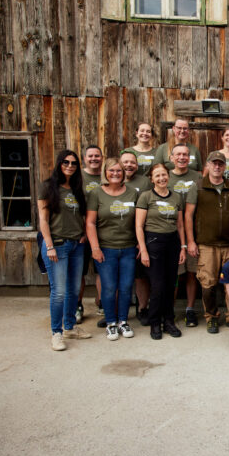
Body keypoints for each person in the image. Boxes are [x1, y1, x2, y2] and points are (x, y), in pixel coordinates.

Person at [38, 150, 91, 351]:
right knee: (58, 292)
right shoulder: (48, 187)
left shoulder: (77, 188)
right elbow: (43, 220)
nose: (70, 166)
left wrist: (83, 233)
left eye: (74, 163)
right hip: (57, 245)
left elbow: (82, 215)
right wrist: (49, 245)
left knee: (73, 289)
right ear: (59, 164)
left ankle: (69, 326)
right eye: (66, 162)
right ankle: (56, 333)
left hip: (77, 245)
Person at [185, 151, 229, 334]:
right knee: (208, 284)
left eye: (220, 164)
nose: (217, 167)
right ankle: (212, 317)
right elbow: (188, 215)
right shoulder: (197, 187)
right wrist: (191, 241)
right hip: (206, 244)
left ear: (224, 167)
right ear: (207, 165)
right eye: (213, 163)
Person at [86, 158, 139, 341]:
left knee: (125, 287)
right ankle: (110, 323)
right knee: (109, 288)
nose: (115, 174)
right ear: (105, 173)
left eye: (119, 170)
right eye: (111, 171)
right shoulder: (97, 194)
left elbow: (139, 221)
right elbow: (90, 223)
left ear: (124, 173)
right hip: (106, 249)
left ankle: (123, 321)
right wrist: (95, 247)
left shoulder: (133, 193)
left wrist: (140, 243)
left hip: (129, 248)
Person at [135, 164, 186, 340]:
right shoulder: (146, 197)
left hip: (172, 243)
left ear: (168, 176)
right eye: (157, 176)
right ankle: (155, 322)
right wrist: (143, 250)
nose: (161, 178)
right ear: (151, 179)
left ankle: (169, 321)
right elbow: (139, 226)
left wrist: (183, 247)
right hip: (153, 242)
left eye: (164, 175)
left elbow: (180, 225)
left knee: (171, 285)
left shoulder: (176, 197)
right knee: (157, 287)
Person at [167, 143, 202, 325]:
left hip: (193, 230)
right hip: (172, 231)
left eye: (185, 154)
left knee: (191, 272)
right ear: (171, 158)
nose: (182, 157)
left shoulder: (197, 177)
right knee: (174, 274)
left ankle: (189, 309)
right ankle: (169, 311)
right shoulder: (166, 176)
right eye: (178, 154)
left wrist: (192, 240)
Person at [121, 149, 152, 325]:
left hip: (140, 235)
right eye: (125, 162)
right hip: (118, 236)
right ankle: (116, 311)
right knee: (119, 276)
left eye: (132, 162)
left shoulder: (144, 182)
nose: (129, 165)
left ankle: (142, 308)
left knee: (141, 276)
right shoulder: (112, 180)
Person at [78, 144, 104, 323]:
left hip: (101, 231)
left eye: (97, 156)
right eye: (90, 156)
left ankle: (102, 302)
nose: (94, 159)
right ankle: (77, 304)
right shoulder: (78, 177)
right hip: (80, 232)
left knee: (100, 270)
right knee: (79, 271)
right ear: (84, 159)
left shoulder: (107, 176)